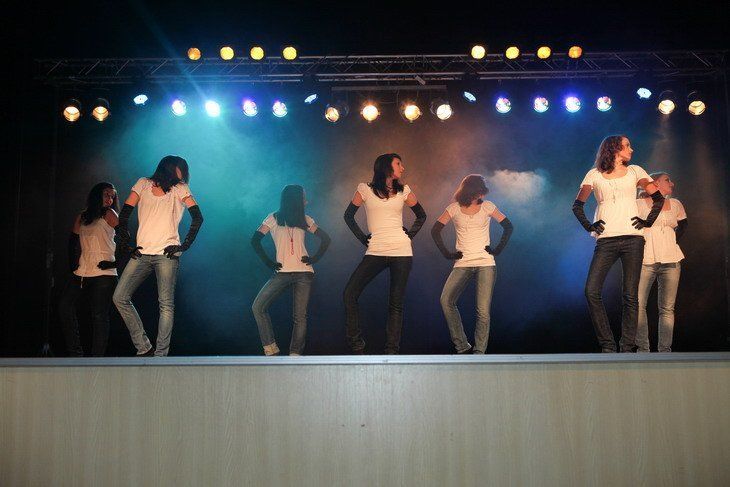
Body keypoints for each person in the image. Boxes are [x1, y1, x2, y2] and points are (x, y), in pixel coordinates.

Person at [573, 135, 664, 352]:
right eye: (627, 146)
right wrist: (589, 225)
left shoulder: (635, 171)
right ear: (614, 148)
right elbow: (577, 206)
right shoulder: (594, 174)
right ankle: (608, 345)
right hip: (606, 239)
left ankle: (626, 347)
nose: (631, 149)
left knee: (630, 295)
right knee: (591, 291)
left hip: (633, 239)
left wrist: (647, 221)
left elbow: (659, 198)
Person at [112, 155, 203, 357]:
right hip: (142, 253)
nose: (183, 174)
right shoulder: (143, 184)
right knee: (119, 297)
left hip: (166, 255)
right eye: (181, 169)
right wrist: (126, 242)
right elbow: (124, 214)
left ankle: (160, 355)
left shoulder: (180, 188)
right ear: (170, 167)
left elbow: (198, 217)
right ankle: (144, 348)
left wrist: (184, 245)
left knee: (166, 305)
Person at [343, 153, 426, 354]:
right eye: (398, 164)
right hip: (376, 250)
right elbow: (348, 216)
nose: (402, 168)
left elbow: (421, 215)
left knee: (396, 303)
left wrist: (409, 235)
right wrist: (363, 238)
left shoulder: (404, 190)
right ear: (386, 166)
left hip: (402, 252)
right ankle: (357, 346)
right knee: (349, 294)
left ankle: (391, 351)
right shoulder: (365, 189)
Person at [431, 174, 513, 354]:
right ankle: (462, 346)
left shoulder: (488, 206)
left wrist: (497, 249)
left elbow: (508, 226)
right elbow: (435, 230)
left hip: (485, 263)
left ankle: (479, 353)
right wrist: (447, 254)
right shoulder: (454, 208)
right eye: (480, 191)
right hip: (462, 263)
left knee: (483, 311)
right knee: (446, 300)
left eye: (483, 192)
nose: (483, 195)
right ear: (472, 190)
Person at [250, 185, 331, 356]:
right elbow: (255, 240)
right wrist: (268, 262)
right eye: (303, 197)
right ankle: (271, 349)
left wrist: (314, 259)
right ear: (295, 199)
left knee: (300, 316)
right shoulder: (273, 218)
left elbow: (326, 239)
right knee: (258, 307)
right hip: (283, 272)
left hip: (303, 273)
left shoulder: (305, 219)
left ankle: (295, 355)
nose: (306, 201)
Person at [58, 182, 119, 356]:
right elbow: (72, 240)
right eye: (106, 195)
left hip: (104, 272)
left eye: (112, 196)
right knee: (65, 307)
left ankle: (96, 359)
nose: (110, 199)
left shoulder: (110, 213)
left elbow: (125, 237)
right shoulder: (83, 216)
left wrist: (114, 264)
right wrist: (73, 266)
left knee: (99, 315)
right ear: (97, 194)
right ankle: (75, 353)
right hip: (83, 271)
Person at [635, 172, 687, 352]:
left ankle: (665, 351)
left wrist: (671, 243)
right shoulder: (638, 204)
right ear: (655, 183)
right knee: (638, 305)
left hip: (671, 261)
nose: (672, 183)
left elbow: (684, 225)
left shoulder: (676, 204)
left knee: (667, 308)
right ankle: (643, 350)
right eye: (667, 180)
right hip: (646, 259)